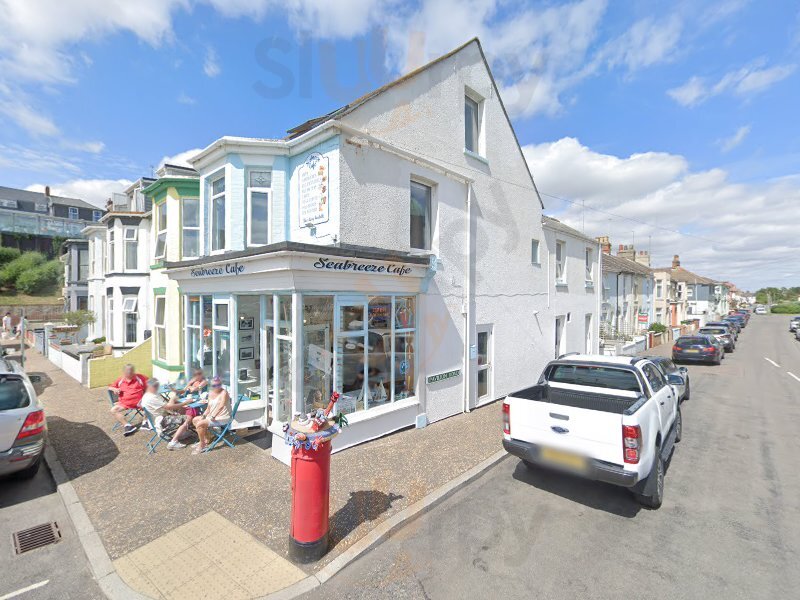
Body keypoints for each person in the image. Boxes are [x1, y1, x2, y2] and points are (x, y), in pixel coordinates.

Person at [168, 376, 231, 453]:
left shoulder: (224, 393)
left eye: (218, 385)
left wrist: (213, 416)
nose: (216, 387)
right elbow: (208, 408)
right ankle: (205, 439)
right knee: (195, 420)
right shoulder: (211, 393)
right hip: (212, 416)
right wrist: (203, 416)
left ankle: (202, 445)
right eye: (214, 385)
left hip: (222, 417)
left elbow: (221, 406)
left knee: (200, 424)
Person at [108, 364, 148, 436]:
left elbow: (150, 385)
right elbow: (110, 387)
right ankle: (127, 426)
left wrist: (146, 396)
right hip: (125, 403)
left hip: (139, 402)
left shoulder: (140, 378)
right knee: (113, 410)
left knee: (149, 403)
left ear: (133, 371)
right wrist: (114, 389)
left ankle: (145, 422)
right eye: (127, 372)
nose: (129, 373)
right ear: (124, 372)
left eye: (131, 372)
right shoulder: (120, 380)